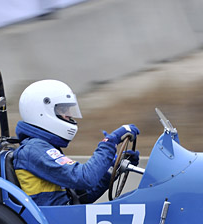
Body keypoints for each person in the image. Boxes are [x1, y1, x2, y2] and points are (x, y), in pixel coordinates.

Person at [11, 79, 139, 206]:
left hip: (65, 216)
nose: (70, 115)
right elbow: (85, 178)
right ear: (41, 112)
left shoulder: (43, 147)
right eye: (63, 110)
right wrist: (109, 142)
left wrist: (113, 167)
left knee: (132, 201)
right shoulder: (34, 149)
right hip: (56, 222)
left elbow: (84, 195)